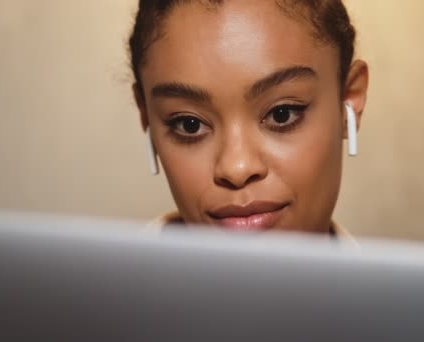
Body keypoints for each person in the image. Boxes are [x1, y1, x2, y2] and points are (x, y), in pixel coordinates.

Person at [128, 0, 369, 237]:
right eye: (189, 125)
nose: (236, 169)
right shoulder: (99, 279)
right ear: (146, 116)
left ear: (349, 98)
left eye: (281, 114)